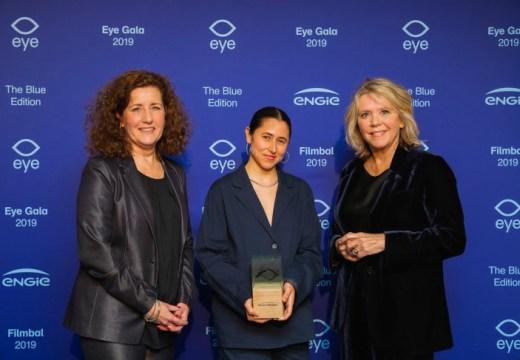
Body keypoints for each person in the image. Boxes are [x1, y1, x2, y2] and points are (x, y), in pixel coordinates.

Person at [329, 78, 466, 360]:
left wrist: (385, 242)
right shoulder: (351, 173)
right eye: (365, 114)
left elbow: (452, 238)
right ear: (357, 124)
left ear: (402, 119)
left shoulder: (428, 168)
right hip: (355, 318)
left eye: (384, 112)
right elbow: (338, 231)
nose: (375, 122)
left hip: (406, 319)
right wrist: (338, 246)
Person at [63, 70, 195, 360]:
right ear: (119, 118)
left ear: (166, 115)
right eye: (137, 108)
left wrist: (183, 299)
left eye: (155, 108)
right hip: (113, 324)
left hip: (165, 323)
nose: (147, 118)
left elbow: (184, 243)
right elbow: (95, 251)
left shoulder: (175, 174)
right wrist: (150, 305)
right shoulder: (102, 171)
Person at [196, 106, 322, 359]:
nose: (273, 148)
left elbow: (311, 254)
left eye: (281, 141)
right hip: (240, 333)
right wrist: (244, 297)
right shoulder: (222, 191)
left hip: (291, 329)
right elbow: (209, 256)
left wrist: (293, 285)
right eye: (266, 137)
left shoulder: (300, 191)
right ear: (249, 135)